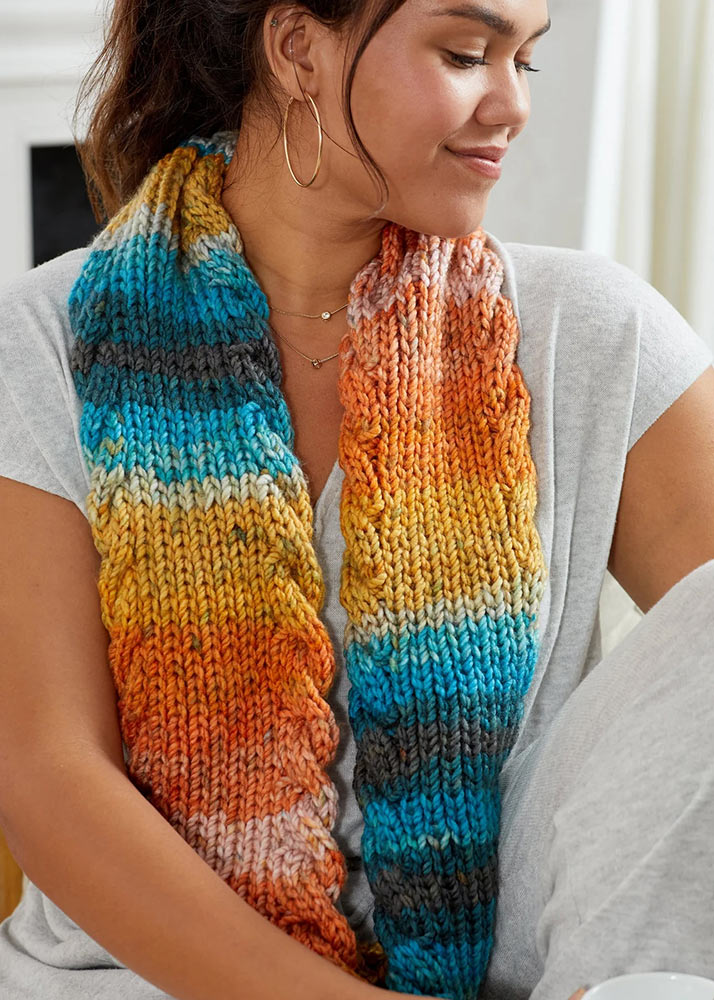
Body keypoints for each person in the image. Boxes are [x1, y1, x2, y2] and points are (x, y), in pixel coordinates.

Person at [0, 0, 713, 997]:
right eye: (466, 53)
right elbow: (49, 777)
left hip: (515, 963)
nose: (511, 104)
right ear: (297, 48)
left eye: (526, 62)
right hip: (134, 978)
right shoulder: (43, 341)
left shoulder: (593, 334)